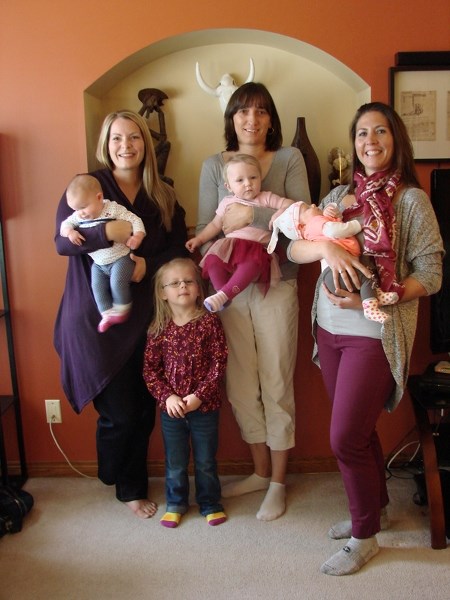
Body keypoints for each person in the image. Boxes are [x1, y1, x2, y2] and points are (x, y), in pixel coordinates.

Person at [288, 101, 443, 575]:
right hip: (329, 334)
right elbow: (294, 246)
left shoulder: (411, 201)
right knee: (358, 432)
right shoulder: (338, 195)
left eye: (380, 131)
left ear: (396, 140)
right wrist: (326, 246)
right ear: (353, 144)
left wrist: (384, 297)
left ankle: (364, 536)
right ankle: (374, 509)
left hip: (373, 335)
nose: (369, 141)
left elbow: (432, 274)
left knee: (344, 439)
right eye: (361, 133)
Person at [54, 109, 188, 519]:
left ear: (145, 144)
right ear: (105, 144)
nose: (125, 145)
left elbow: (180, 247)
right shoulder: (89, 186)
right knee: (120, 413)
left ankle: (129, 484)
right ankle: (117, 478)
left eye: (133, 137)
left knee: (144, 408)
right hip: (96, 318)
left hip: (145, 316)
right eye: (116, 138)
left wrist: (149, 264)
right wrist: (107, 233)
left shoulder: (161, 192)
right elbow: (63, 242)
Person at [197, 81, 311, 521]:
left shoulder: (289, 159)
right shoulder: (213, 165)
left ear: (271, 118)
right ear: (231, 118)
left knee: (276, 380)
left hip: (277, 281)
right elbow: (212, 224)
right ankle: (260, 472)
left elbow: (304, 217)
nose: (252, 119)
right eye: (243, 111)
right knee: (241, 382)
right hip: (229, 286)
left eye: (262, 111)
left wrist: (253, 214)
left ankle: (279, 481)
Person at [143, 257, 228, 528]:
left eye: (189, 281)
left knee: (205, 459)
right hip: (172, 410)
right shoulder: (159, 329)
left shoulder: (210, 323)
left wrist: (199, 396)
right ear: (162, 293)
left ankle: (210, 502)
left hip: (205, 407)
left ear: (200, 288)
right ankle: (176, 502)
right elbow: (149, 370)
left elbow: (219, 363)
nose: (183, 286)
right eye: (175, 283)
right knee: (176, 461)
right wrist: (167, 397)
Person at [187, 153, 293, 312]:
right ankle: (221, 292)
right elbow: (215, 224)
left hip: (256, 249)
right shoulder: (227, 202)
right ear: (228, 186)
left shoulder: (266, 198)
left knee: (251, 264)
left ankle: (224, 294)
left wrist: (281, 211)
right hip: (229, 247)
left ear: (260, 178)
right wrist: (199, 239)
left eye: (253, 178)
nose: (248, 184)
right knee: (213, 260)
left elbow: (292, 205)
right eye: (240, 180)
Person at [269, 201, 400, 323]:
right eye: (308, 208)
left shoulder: (315, 225)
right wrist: (359, 224)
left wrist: (333, 214)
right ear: (301, 225)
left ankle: (374, 298)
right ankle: (370, 308)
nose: (314, 205)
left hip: (331, 276)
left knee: (365, 279)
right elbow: (335, 230)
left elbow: (331, 223)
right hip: (335, 273)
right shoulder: (315, 223)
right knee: (367, 277)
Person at [60, 174, 147, 332]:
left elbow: (135, 220)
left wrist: (138, 236)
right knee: (97, 287)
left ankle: (122, 310)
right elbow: (65, 225)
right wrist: (70, 232)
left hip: (121, 258)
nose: (80, 213)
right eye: (76, 209)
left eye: (83, 207)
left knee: (117, 283)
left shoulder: (112, 209)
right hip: (98, 264)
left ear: (99, 197)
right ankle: (107, 314)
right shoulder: (79, 217)